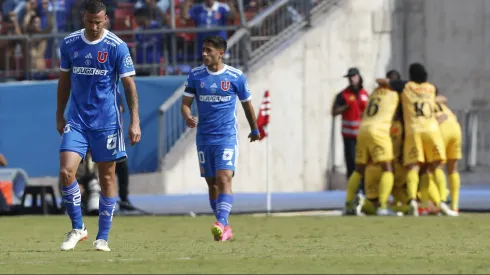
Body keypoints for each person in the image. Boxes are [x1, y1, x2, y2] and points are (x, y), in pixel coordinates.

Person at [56, 0, 141, 252]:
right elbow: (64, 81)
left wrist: (135, 120)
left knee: (106, 177)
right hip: (77, 120)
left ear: (105, 19)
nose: (95, 26)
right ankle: (78, 228)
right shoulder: (70, 43)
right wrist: (59, 114)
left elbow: (129, 86)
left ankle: (102, 237)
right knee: (66, 172)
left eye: (99, 21)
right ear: (83, 17)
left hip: (106, 122)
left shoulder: (117, 46)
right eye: (91, 21)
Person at [181, 35, 260, 242]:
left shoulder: (236, 76)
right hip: (204, 138)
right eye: (203, 50)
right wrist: (188, 116)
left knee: (224, 178)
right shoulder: (196, 76)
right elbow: (185, 103)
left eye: (209, 50)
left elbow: (247, 104)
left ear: (221, 53)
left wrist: (254, 128)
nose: (204, 54)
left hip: (226, 136)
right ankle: (225, 227)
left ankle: (221, 222)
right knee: (212, 183)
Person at [376, 63, 453, 216]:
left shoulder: (406, 86)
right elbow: (443, 98)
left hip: (414, 131)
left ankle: (412, 201)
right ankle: (443, 202)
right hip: (432, 130)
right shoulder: (430, 88)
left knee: (413, 167)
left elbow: (381, 81)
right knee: (435, 167)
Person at [343, 70, 400, 216]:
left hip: (362, 129)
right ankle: (382, 206)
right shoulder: (395, 93)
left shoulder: (375, 92)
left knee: (359, 170)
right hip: (379, 131)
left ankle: (348, 204)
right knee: (387, 169)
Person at [331, 68, 369, 180]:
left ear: (359, 77)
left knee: (363, 162)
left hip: (363, 135)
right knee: (351, 162)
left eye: (354, 77)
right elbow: (334, 111)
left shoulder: (365, 94)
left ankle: (363, 188)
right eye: (350, 77)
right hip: (349, 136)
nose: (352, 79)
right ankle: (353, 189)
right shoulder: (343, 95)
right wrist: (346, 107)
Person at [434, 101, 462, 212]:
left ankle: (442, 201)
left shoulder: (423, 99)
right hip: (455, 128)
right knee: (453, 169)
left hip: (441, 128)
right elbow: (442, 98)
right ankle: (454, 206)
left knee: (435, 167)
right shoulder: (441, 103)